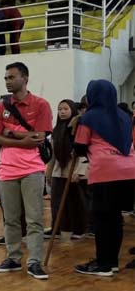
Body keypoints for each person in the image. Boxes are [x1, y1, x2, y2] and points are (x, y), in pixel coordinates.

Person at [0, 62, 53, 280]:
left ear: (24, 78)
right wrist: (21, 139)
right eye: (6, 78)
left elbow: (39, 137)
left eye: (11, 77)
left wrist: (11, 133)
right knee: (11, 219)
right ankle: (13, 257)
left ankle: (34, 262)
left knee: (34, 219)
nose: (7, 81)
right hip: (7, 170)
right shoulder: (0, 107)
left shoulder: (41, 104)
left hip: (33, 169)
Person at [73, 80, 135, 276]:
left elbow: (80, 146)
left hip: (105, 172)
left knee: (101, 219)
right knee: (115, 218)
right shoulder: (125, 116)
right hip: (129, 171)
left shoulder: (89, 117)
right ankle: (113, 262)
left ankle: (103, 264)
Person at [45, 99, 88, 240]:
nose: (62, 112)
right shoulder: (55, 131)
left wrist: (80, 171)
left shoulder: (78, 128)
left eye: (65, 109)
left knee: (75, 202)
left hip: (73, 170)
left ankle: (79, 229)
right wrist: (49, 173)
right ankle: (57, 228)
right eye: (60, 109)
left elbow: (84, 152)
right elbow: (52, 155)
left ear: (72, 110)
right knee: (56, 203)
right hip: (59, 170)